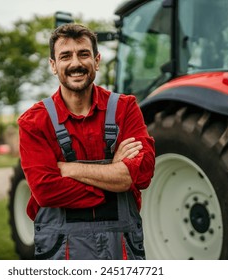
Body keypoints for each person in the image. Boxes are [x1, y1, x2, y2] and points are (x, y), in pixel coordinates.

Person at [18, 23, 155, 260]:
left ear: (97, 61)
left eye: (84, 54)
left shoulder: (126, 108)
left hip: (121, 248)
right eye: (65, 56)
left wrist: (68, 169)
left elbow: (139, 175)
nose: (76, 64)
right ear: (53, 65)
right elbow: (46, 191)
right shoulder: (34, 122)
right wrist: (113, 176)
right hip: (63, 251)